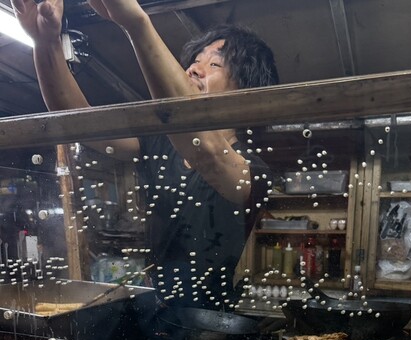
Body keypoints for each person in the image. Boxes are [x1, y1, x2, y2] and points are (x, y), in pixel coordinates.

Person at [11, 0, 280, 309]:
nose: (194, 68)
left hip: (210, 325)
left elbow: (208, 153)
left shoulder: (254, 172)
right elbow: (76, 120)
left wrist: (137, 24)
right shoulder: (160, 141)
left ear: (244, 92)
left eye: (215, 65)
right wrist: (45, 43)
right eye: (195, 60)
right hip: (156, 315)